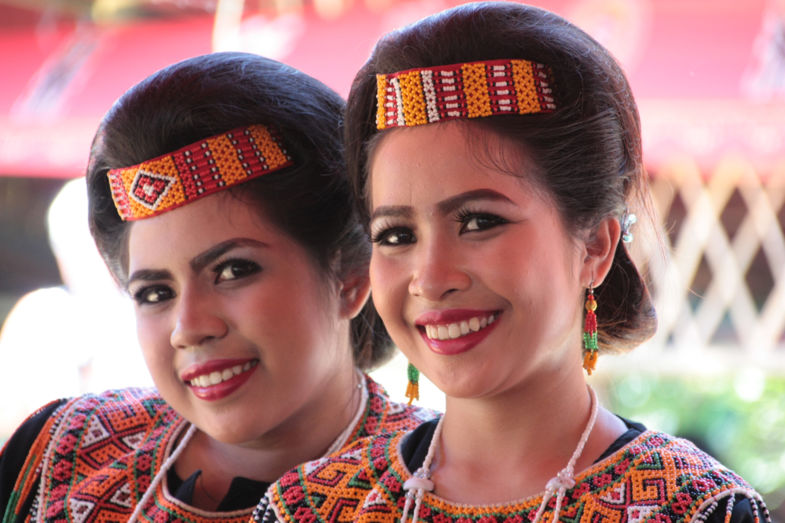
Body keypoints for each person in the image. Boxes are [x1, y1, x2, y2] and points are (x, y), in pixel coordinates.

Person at [256, 3, 771, 522]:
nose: (431, 280)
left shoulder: (696, 509)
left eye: (479, 222)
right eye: (397, 234)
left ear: (594, 246)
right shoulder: (310, 507)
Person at [0, 51, 436, 521]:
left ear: (351, 276)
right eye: (155, 293)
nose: (188, 327)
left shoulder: (443, 490)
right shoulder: (58, 450)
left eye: (232, 271)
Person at [0, 178, 150, 439]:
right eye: (74, 246)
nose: (88, 260)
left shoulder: (148, 311)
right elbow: (9, 421)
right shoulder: (38, 315)